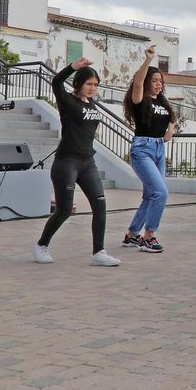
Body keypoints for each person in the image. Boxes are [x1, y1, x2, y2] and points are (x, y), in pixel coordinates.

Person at [33, 58, 119, 266]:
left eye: (96, 85)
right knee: (64, 209)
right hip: (67, 161)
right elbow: (55, 82)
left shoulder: (93, 104)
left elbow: (91, 126)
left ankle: (99, 252)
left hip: (87, 161)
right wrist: (73, 67)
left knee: (100, 205)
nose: (92, 88)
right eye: (89, 84)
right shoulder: (68, 101)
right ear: (78, 83)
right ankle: (41, 245)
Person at [121, 47, 176, 253]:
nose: (159, 83)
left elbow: (168, 133)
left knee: (150, 195)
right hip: (142, 150)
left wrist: (171, 128)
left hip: (159, 149)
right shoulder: (140, 100)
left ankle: (132, 235)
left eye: (160, 80)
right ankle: (149, 236)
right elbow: (137, 82)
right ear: (146, 82)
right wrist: (148, 60)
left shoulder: (163, 103)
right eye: (154, 80)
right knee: (160, 193)